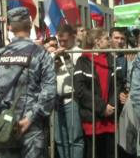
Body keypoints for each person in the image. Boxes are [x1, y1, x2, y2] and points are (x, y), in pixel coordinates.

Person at [0, 7, 57, 158]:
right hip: (32, 126)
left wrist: (2, 116)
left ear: (10, 28)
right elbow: (49, 91)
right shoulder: (41, 54)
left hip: (5, 125)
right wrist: (31, 117)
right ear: (29, 26)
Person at [74, 28, 123, 158]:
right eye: (107, 38)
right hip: (92, 117)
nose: (110, 41)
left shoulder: (112, 60)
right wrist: (102, 107)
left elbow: (118, 84)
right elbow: (80, 89)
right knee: (93, 153)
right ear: (97, 42)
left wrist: (111, 105)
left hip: (110, 118)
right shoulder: (82, 61)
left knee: (110, 152)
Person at [53, 25, 84, 158]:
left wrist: (66, 58)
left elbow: (77, 77)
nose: (62, 44)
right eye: (60, 41)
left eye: (65, 40)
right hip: (57, 100)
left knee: (75, 139)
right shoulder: (55, 52)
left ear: (73, 37)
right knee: (60, 140)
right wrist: (53, 66)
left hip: (72, 99)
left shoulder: (79, 53)